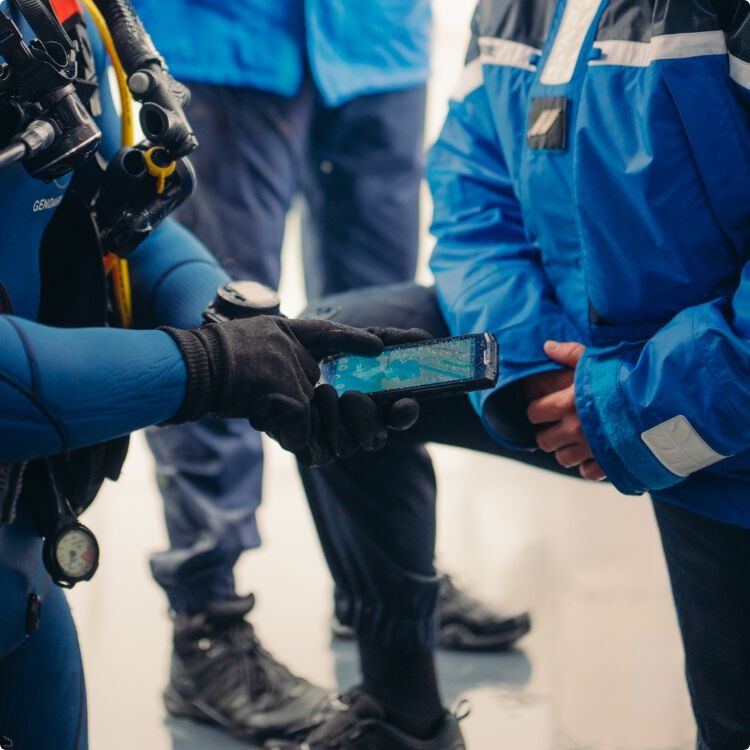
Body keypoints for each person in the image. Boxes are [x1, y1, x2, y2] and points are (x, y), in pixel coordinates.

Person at [267, 1, 750, 749]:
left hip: (715, 408)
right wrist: (520, 365)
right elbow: (472, 188)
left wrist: (628, 407)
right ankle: (401, 716)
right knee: (343, 369)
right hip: (556, 370)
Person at [0, 0, 422, 746]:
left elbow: (115, 220)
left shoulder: (52, 19)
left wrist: (234, 323)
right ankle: (209, 615)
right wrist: (217, 366)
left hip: (19, 568)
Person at [127, 0, 530, 740]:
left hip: (379, 39)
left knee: (381, 349)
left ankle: (386, 586)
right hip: (220, 36)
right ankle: (207, 627)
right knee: (223, 330)